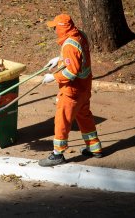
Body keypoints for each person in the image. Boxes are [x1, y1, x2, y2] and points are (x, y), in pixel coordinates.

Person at [38, 13, 103, 167]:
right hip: (85, 87)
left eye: (55, 28)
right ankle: (95, 148)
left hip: (72, 91)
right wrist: (59, 59)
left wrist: (53, 77)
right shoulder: (80, 35)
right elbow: (77, 58)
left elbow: (71, 72)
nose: (54, 30)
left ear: (62, 29)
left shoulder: (68, 45)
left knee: (62, 120)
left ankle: (57, 154)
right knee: (84, 115)